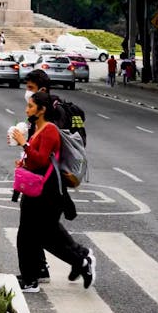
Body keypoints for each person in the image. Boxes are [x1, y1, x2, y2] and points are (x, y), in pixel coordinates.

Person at [11, 92, 94, 293]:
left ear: (42, 110)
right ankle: (78, 262)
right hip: (37, 188)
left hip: (47, 192)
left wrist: (23, 143)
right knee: (34, 235)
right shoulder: (39, 129)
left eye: (31, 106)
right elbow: (37, 159)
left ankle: (31, 280)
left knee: (30, 236)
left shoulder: (49, 130)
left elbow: (41, 160)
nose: (26, 109)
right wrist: (23, 161)